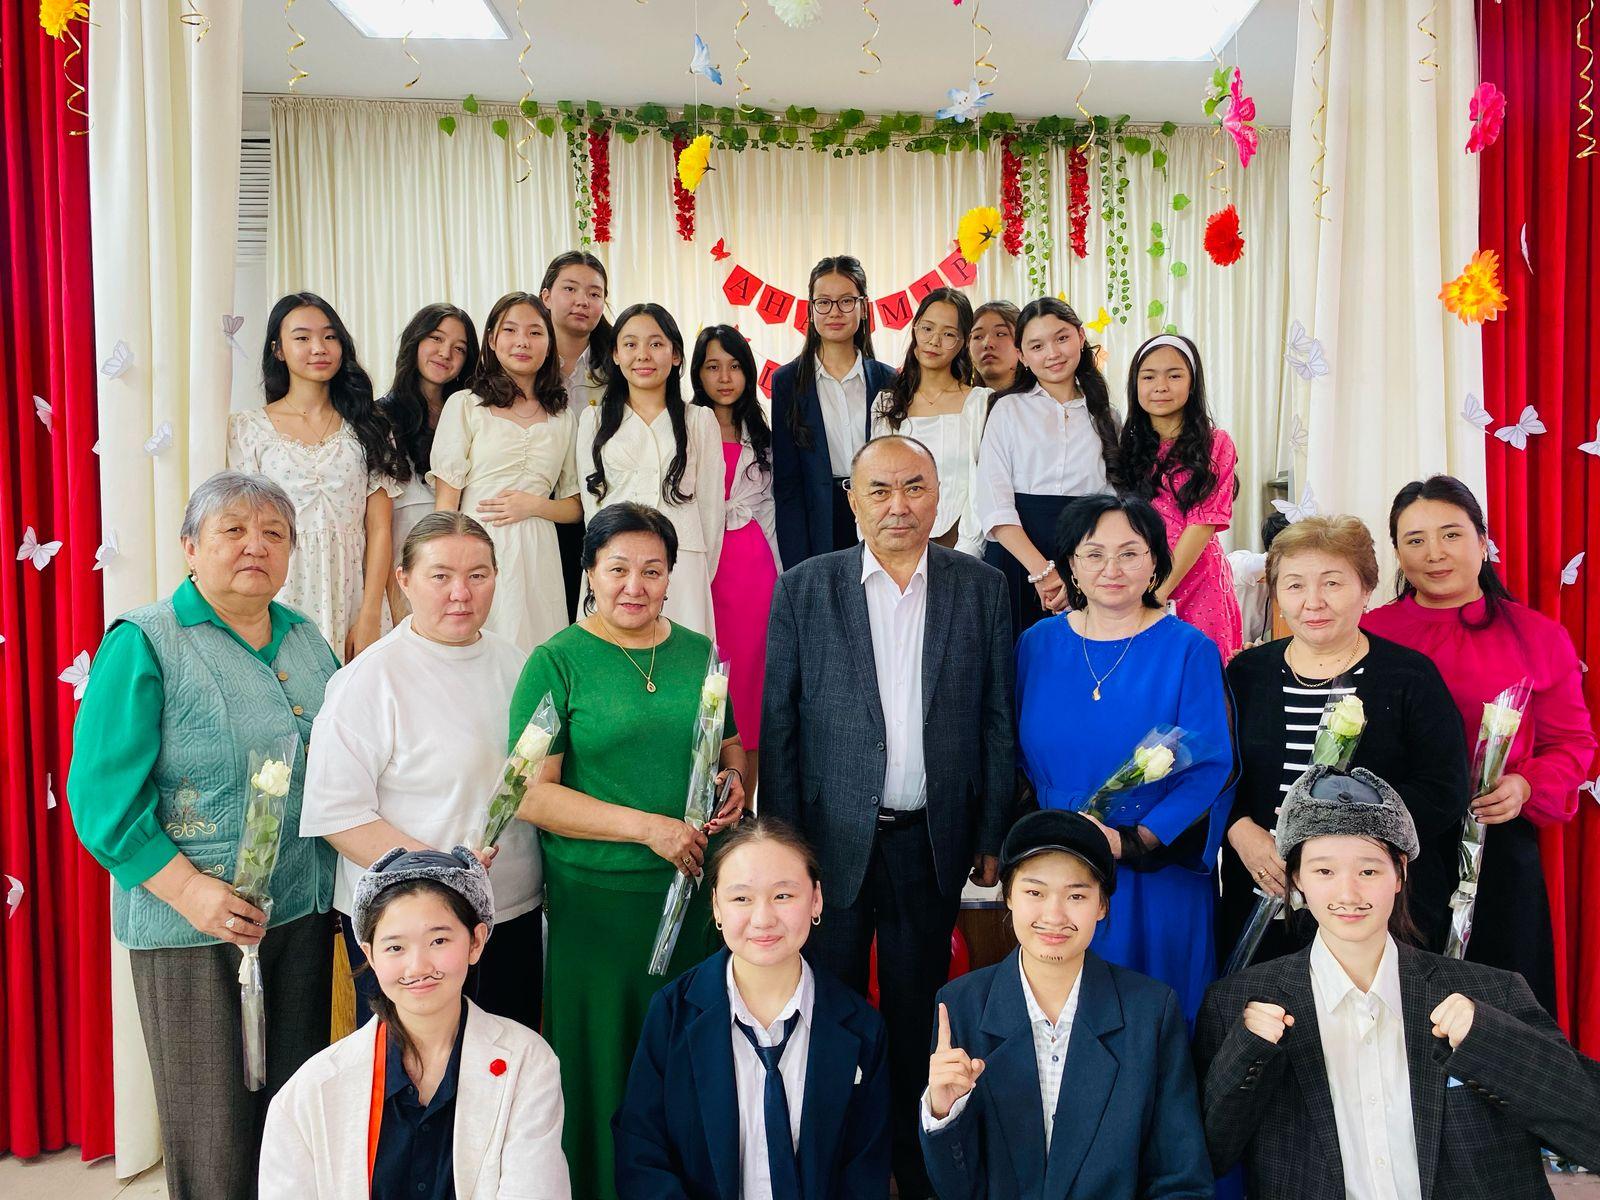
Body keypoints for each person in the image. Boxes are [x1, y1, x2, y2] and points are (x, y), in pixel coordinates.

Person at [66, 471, 340, 1200]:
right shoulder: (146, 640)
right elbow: (101, 799)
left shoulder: (306, 639)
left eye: (274, 533)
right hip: (191, 927)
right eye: (234, 530)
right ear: (191, 547)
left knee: (292, 1123)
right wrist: (190, 891)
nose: (256, 546)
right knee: (214, 1135)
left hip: (301, 914)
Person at [763, 434, 1015, 1200]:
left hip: (928, 841)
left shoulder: (980, 588)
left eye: (914, 487)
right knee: (827, 1013)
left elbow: (997, 718)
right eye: (879, 490)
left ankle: (916, 1167)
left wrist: (990, 833)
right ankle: (837, 1167)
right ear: (852, 500)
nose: (898, 505)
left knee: (917, 1014)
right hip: (828, 844)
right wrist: (783, 852)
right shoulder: (805, 587)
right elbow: (780, 725)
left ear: (939, 498)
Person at [1195, 766, 1600, 1199]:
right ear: (1296, 879)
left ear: (1400, 873)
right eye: (1324, 871)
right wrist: (1248, 1050)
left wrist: (1490, 1040)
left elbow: (1590, 1131)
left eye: (1369, 871)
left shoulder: (1491, 994)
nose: (1348, 894)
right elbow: (1210, 1155)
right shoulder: (1237, 1003)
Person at [510, 502, 749, 1200]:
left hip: (696, 902)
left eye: (652, 570)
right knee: (604, 1072)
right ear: (589, 572)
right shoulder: (556, 662)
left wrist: (734, 782)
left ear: (672, 576)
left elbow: (731, 746)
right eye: (617, 569)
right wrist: (648, 828)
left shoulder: (699, 654)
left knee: (688, 1065)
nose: (634, 586)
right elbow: (529, 796)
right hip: (598, 910)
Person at [1363, 474, 1597, 1014]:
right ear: (1396, 551)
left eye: (1451, 534)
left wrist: (1525, 784)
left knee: (1501, 1006)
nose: (1434, 553)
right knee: (1403, 1003)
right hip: (1393, 848)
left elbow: (1572, 742)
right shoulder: (1371, 634)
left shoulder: (1536, 635)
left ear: (1483, 540)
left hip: (1495, 843)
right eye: (1415, 540)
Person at [300, 512, 543, 1029]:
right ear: (404, 580)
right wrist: (443, 870)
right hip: (408, 927)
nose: (461, 593)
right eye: (441, 576)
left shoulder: (519, 665)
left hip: (508, 912)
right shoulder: (369, 678)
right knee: (409, 1069)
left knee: (502, 1061)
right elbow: (337, 815)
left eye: (478, 575)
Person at [1015, 493, 1234, 1022]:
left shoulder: (1189, 649)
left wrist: (1136, 840)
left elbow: (1210, 767)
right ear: (1070, 564)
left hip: (1152, 871)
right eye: (1094, 554)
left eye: (1130, 553)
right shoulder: (1035, 644)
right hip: (1058, 868)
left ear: (1156, 562)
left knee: (1154, 1023)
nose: (1111, 569)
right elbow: (1011, 754)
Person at [920, 809, 1213, 1200]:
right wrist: (943, 1115)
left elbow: (1181, 1179)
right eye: (1035, 892)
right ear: (1008, 895)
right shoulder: (960, 1005)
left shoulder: (1150, 1012)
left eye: (1076, 895)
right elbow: (955, 1190)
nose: (1054, 916)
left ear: (1102, 905)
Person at [1222, 516, 1468, 965]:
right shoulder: (1245, 674)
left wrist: (1344, 849)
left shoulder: (1409, 676)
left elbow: (1444, 789)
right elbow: (1219, 775)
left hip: (1373, 905)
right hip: (1264, 900)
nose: (1313, 601)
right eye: (1294, 585)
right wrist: (1240, 832)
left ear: (1366, 588)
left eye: (1332, 583)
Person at [259, 848, 570, 1200]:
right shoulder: (308, 1093)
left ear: (476, 941)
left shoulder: (527, 1063)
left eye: (439, 940)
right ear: (369, 954)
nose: (418, 966)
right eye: (395, 947)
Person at [613, 817, 892, 1199]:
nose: (763, 919)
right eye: (741, 898)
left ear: (816, 899)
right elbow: (640, 1154)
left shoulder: (861, 1028)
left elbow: (866, 1174)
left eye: (783, 896)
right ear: (716, 906)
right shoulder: (672, 1014)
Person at [228, 291, 408, 662]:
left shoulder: (370, 426)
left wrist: (370, 613)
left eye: (329, 336)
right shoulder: (247, 429)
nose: (319, 347)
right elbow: (244, 526)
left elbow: (380, 529)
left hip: (354, 593)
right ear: (278, 350)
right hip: (281, 590)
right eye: (302, 337)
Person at [430, 292, 581, 654]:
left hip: (539, 552)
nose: (522, 341)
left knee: (536, 653)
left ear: (549, 343)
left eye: (535, 332)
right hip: (478, 546)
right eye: (510, 330)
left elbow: (576, 506)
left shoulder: (563, 416)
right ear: (492, 340)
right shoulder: (466, 405)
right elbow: (446, 505)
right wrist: (444, 568)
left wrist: (534, 505)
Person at [578, 303, 724, 639]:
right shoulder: (594, 421)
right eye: (630, 344)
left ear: (676, 355)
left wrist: (693, 571)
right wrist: (600, 568)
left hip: (682, 564)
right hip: (612, 565)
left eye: (656, 344)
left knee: (681, 655)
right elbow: (591, 510)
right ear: (616, 355)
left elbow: (712, 512)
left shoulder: (699, 421)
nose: (643, 355)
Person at [976, 298, 1118, 641]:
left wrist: (1076, 576)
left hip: (1084, 562)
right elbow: (995, 503)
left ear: (1081, 337)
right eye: (1037, 346)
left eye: (1062, 338)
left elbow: (1112, 504)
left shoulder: (1107, 416)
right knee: (1013, 659)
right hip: (1016, 559)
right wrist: (1044, 574)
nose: (1052, 353)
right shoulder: (1006, 409)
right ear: (1022, 355)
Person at [693, 324, 781, 799]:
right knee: (709, 677)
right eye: (712, 366)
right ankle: (705, 802)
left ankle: (747, 805)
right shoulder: (685, 424)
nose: (724, 377)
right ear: (697, 373)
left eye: (734, 366)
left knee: (751, 686)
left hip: (755, 573)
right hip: (706, 569)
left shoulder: (764, 435)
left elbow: (771, 514)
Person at [1117, 333, 1241, 660]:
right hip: (1139, 577)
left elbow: (1203, 523)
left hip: (1198, 579)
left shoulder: (1216, 443)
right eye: (1148, 377)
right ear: (1134, 384)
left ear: (1192, 383)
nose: (1161, 386)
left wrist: (1159, 591)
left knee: (1201, 672)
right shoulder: (1123, 446)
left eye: (1174, 376)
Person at [771, 255, 897, 567]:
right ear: (811, 310)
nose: (835, 312)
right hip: (817, 521)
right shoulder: (787, 382)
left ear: (863, 307)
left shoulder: (888, 380)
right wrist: (797, 563)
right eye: (824, 302)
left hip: (877, 513)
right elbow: (787, 485)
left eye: (846, 301)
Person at [378, 303, 479, 620]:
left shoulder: (471, 413)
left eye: (459, 348)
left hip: (460, 558)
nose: (445, 353)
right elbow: (378, 521)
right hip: (401, 556)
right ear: (415, 341)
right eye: (436, 338)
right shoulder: (380, 417)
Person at [871, 287, 989, 555]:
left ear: (963, 341)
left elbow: (982, 484)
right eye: (927, 328)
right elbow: (875, 480)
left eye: (948, 334)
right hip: (895, 541)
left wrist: (967, 550)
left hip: (959, 543)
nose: (934, 341)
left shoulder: (979, 402)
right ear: (915, 330)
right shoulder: (887, 404)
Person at [541, 250, 613, 621]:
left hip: (598, 509)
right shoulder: (521, 359)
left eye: (594, 293)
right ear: (546, 296)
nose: (582, 301)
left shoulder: (618, 366)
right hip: (536, 510)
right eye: (570, 289)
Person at [969, 300, 1024, 397]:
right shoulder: (963, 402)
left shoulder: (1041, 402)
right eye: (978, 337)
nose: (987, 344)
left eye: (1001, 334)